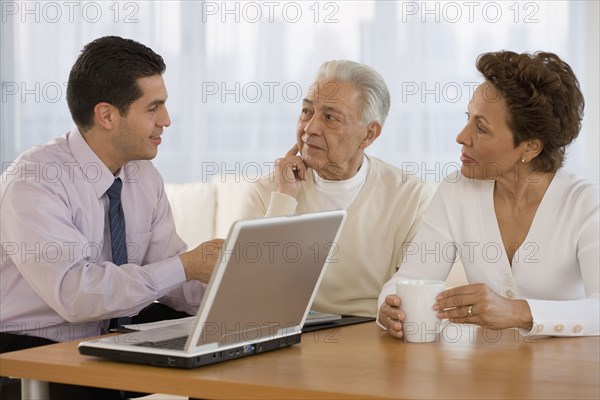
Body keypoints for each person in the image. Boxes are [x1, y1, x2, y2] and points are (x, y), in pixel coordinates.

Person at [0, 36, 223, 399]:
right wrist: (186, 265)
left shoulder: (143, 176)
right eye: (153, 108)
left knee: (222, 349)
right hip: (31, 345)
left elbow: (171, 273)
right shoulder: (35, 181)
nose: (166, 120)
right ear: (106, 115)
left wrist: (234, 291)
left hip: (108, 335)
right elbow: (77, 297)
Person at [378, 51, 599, 338]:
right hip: (487, 372)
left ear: (530, 147)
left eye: (481, 128)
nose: (461, 136)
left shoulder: (585, 204)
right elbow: (408, 280)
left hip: (565, 374)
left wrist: (518, 312)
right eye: (468, 118)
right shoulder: (456, 190)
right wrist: (390, 309)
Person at [239, 60, 432, 317]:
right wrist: (284, 197)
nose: (310, 128)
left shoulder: (410, 195)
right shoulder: (267, 191)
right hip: (286, 335)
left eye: (330, 117)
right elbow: (247, 291)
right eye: (307, 111)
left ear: (369, 134)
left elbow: (412, 289)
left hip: (370, 333)